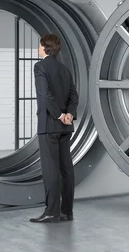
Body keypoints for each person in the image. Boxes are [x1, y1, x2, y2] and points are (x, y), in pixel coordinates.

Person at [29, 34, 78, 223]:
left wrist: (58, 115)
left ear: (44, 47)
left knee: (50, 169)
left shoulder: (40, 66)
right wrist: (69, 114)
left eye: (39, 45)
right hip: (66, 126)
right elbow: (74, 96)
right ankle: (67, 212)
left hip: (49, 124)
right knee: (66, 169)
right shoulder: (65, 69)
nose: (38, 47)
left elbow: (44, 94)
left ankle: (51, 212)